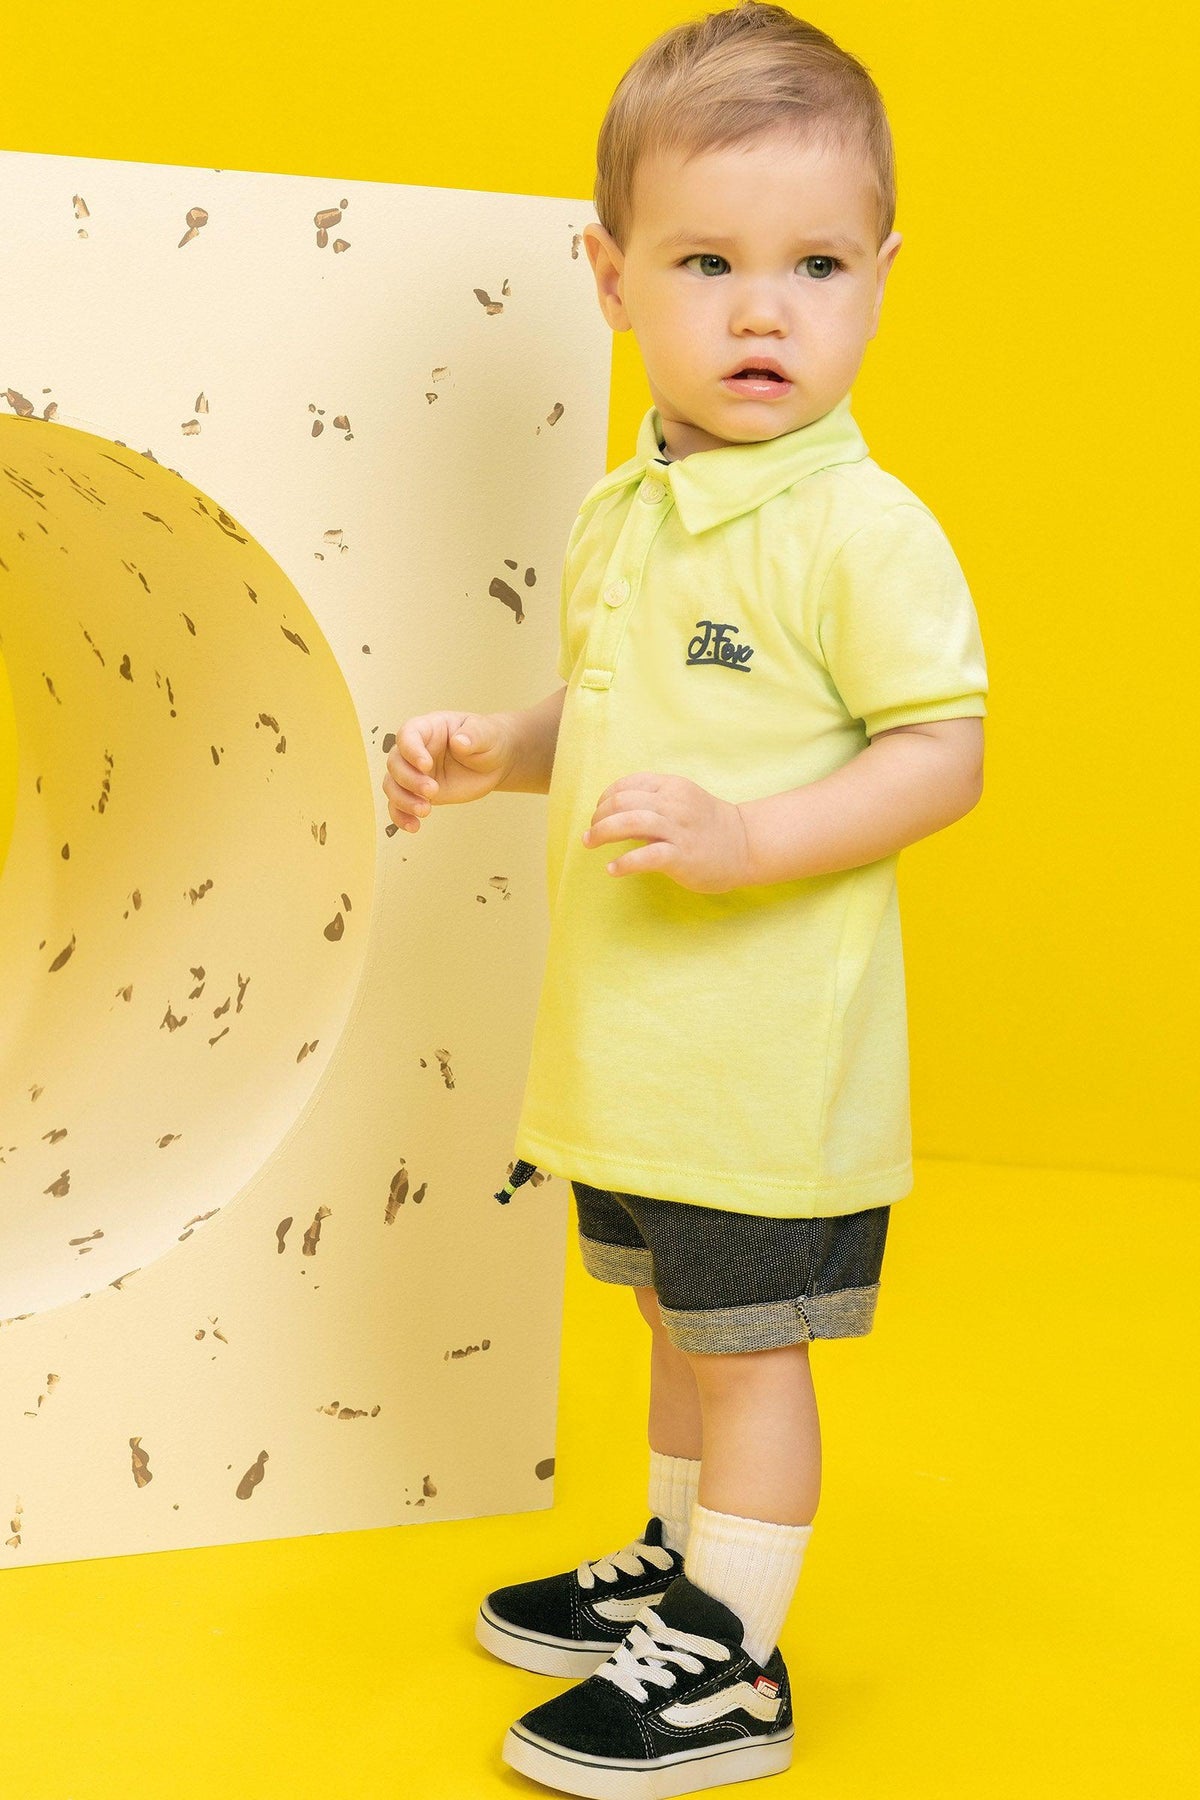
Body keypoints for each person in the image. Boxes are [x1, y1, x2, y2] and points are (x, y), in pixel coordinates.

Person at [382, 5, 988, 1794]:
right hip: (633, 1053)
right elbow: (609, 711)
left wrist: (750, 840)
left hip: (760, 1070)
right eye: (707, 263)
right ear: (612, 277)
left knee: (748, 1359)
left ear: (882, 279)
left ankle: (734, 1663)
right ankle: (675, 1566)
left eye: (816, 266)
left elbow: (941, 756)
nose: (762, 312)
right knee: (666, 1321)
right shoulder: (627, 510)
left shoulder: (858, 532)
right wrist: (499, 751)